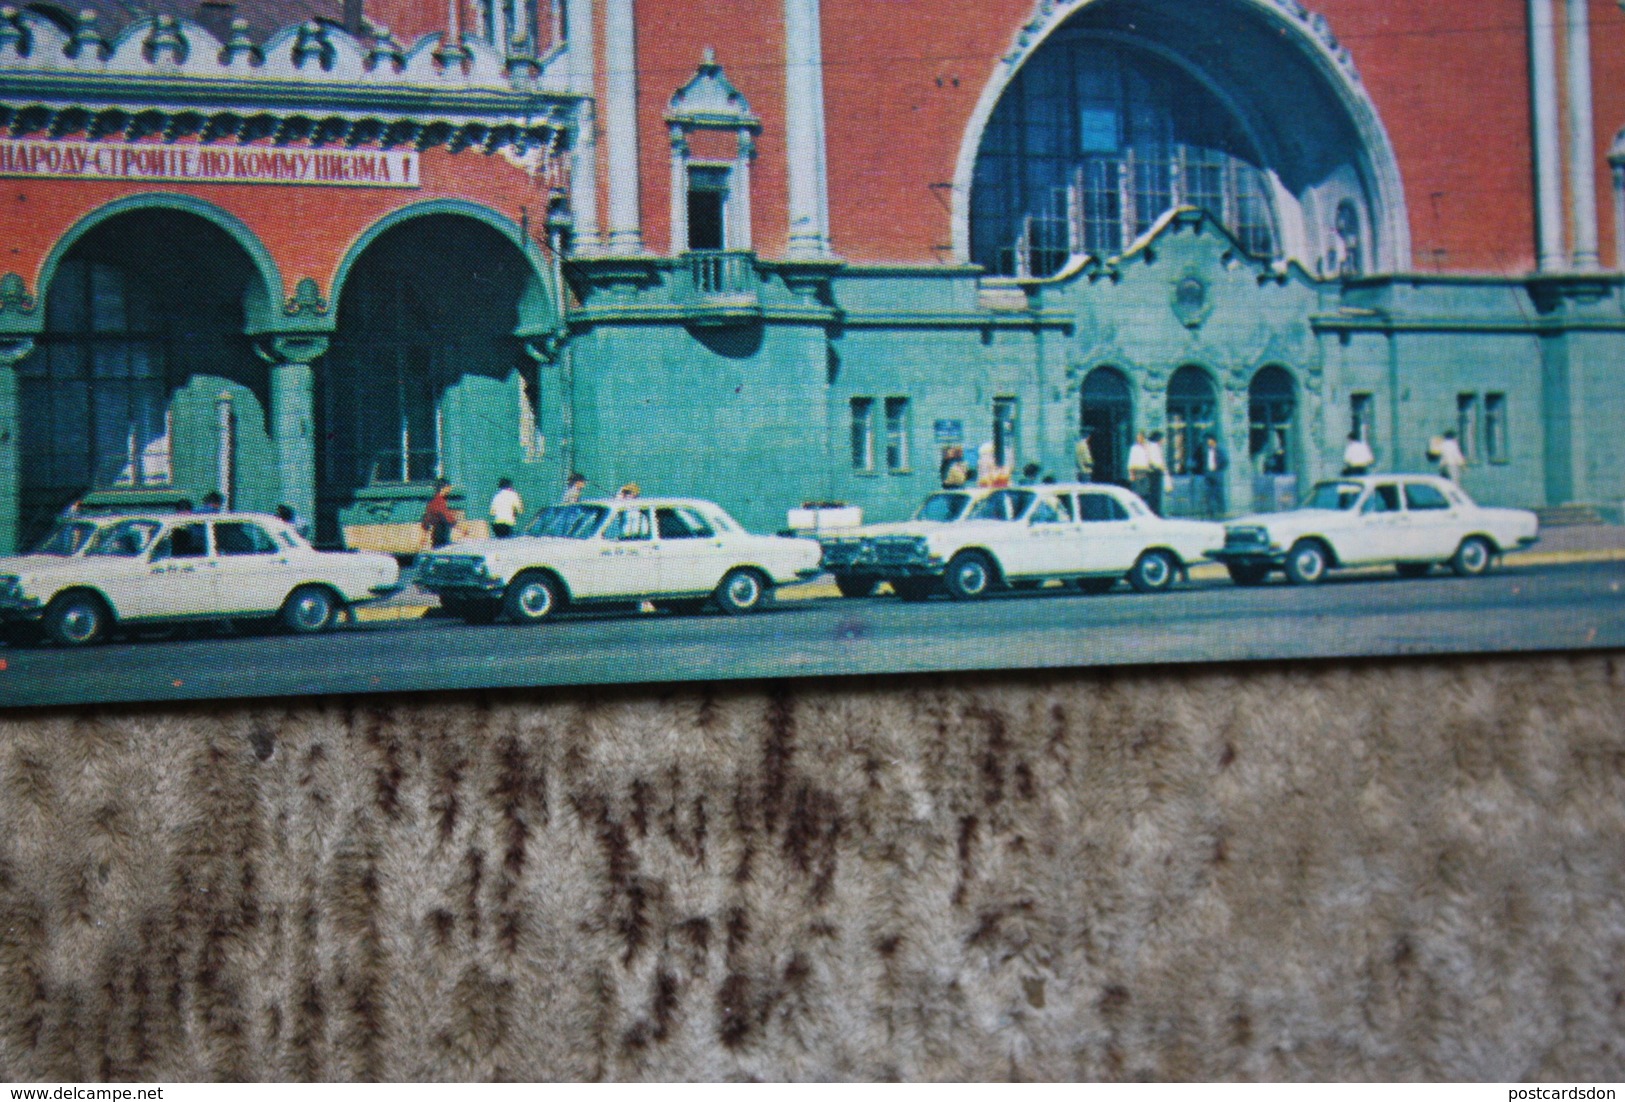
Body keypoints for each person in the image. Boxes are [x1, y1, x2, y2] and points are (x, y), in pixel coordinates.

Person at [420, 479, 463, 549]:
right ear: (444, 488)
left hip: (436, 532)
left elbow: (427, 518)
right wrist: (456, 524)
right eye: (448, 488)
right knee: (443, 548)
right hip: (441, 533)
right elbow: (445, 515)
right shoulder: (439, 501)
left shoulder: (433, 501)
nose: (450, 490)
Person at [1197, 433, 1227, 518]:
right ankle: (1210, 511)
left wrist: (1218, 468)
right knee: (1208, 494)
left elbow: (1225, 461)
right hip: (1208, 474)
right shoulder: (1205, 450)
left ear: (1213, 440)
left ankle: (1221, 511)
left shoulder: (1220, 449)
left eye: (1209, 440)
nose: (1207, 442)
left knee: (1218, 493)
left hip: (1217, 474)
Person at [1145, 431, 1168, 516]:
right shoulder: (1154, 447)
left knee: (1155, 493)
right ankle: (1155, 511)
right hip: (1155, 472)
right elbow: (1155, 461)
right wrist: (1161, 467)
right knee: (1155, 493)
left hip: (1155, 472)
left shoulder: (1153, 447)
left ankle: (1156, 510)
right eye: (1162, 439)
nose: (1163, 441)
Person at [1127, 432, 1154, 505]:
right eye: (1138, 438)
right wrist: (1131, 475)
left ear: (1144, 438)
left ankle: (1146, 506)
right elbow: (1131, 462)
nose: (1139, 439)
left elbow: (1151, 460)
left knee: (1146, 492)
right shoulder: (1134, 448)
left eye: (1140, 438)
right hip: (1137, 471)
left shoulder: (1148, 447)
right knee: (1137, 492)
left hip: (1146, 471)